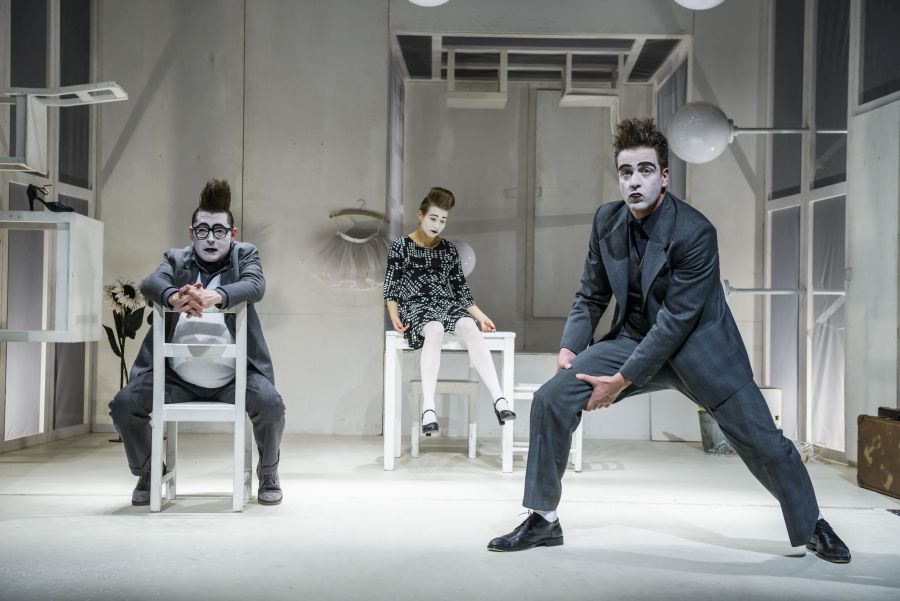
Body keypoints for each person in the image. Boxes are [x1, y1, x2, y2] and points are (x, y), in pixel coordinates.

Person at [486, 118, 851, 564]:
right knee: (551, 398)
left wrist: (620, 381)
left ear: (664, 176)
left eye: (645, 170)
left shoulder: (695, 232)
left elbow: (677, 321)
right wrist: (570, 347)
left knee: (763, 442)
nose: (634, 181)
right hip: (633, 340)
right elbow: (591, 294)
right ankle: (543, 518)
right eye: (626, 172)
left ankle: (812, 524)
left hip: (701, 350)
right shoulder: (606, 221)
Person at [109, 179, 286, 506]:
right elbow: (150, 283)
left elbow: (255, 285)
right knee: (124, 405)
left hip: (235, 379)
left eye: (219, 230)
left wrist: (213, 296)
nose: (210, 238)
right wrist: (174, 297)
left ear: (232, 234)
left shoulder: (244, 254)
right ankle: (149, 472)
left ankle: (269, 472)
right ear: (191, 233)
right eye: (202, 230)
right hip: (176, 379)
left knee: (270, 404)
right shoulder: (176, 258)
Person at [383, 186, 515, 434]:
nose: (438, 225)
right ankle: (429, 408)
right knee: (434, 329)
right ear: (420, 215)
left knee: (469, 326)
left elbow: (461, 290)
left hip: (444, 303)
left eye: (442, 220)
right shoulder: (400, 246)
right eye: (433, 218)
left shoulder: (448, 250)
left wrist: (481, 317)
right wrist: (394, 315)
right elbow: (391, 287)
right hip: (415, 305)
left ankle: (499, 399)